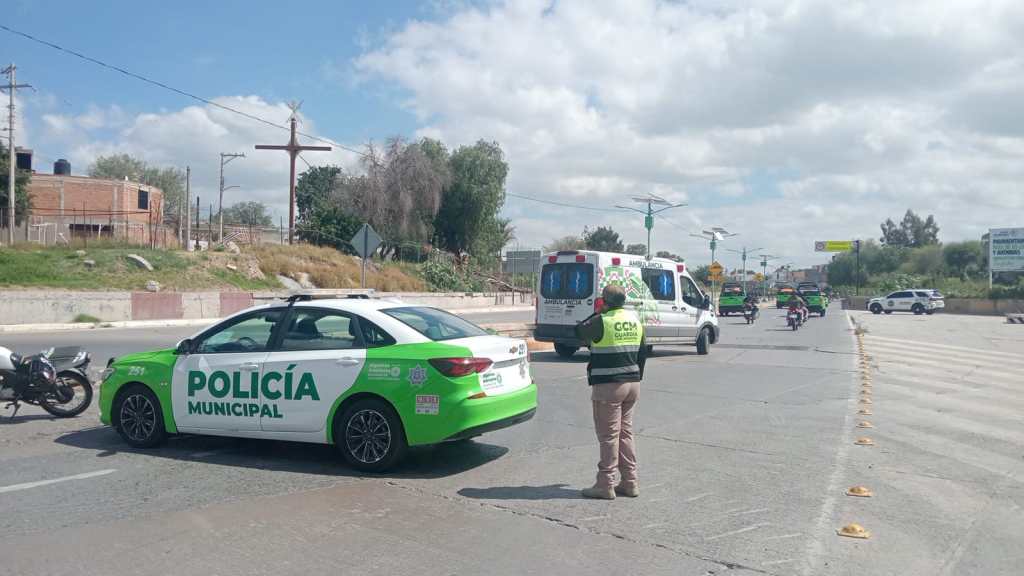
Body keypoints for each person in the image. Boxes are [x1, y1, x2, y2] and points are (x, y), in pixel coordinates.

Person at [574, 283, 646, 500]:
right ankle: (630, 482)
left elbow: (578, 332)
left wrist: (597, 312)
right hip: (633, 383)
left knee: (608, 436)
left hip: (609, 386)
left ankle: (605, 483)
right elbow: (642, 353)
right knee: (625, 434)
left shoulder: (602, 320)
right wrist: (635, 377)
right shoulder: (634, 320)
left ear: (604, 302)